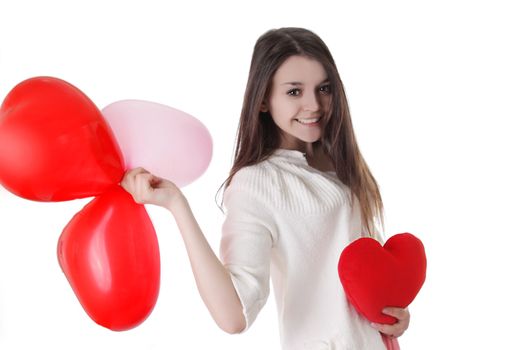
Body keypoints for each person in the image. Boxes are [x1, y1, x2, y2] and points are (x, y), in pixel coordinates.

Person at [121, 27, 410, 350]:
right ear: (262, 100)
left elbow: (364, 275)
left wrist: (395, 313)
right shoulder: (257, 183)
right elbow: (234, 315)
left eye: (324, 88)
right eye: (294, 92)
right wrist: (177, 204)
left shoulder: (342, 168)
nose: (313, 104)